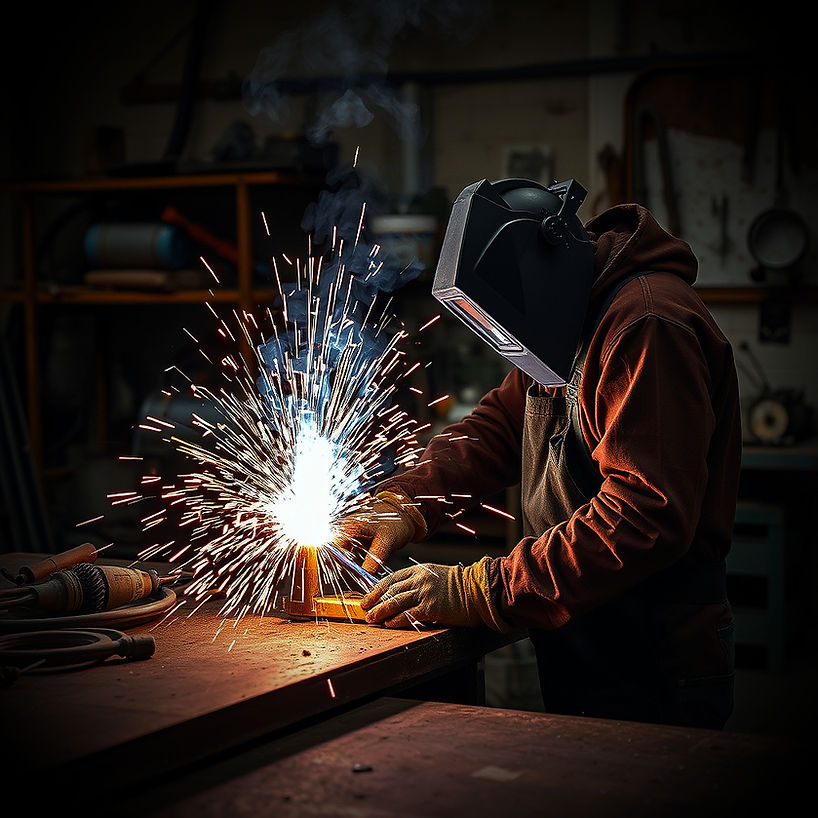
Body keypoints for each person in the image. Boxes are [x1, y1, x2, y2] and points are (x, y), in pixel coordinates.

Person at [343, 177, 742, 729]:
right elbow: (502, 427)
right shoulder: (567, 320)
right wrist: (408, 501)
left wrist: (484, 588)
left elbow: (643, 517)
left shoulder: (646, 324)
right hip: (582, 623)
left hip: (654, 647)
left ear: (543, 272)